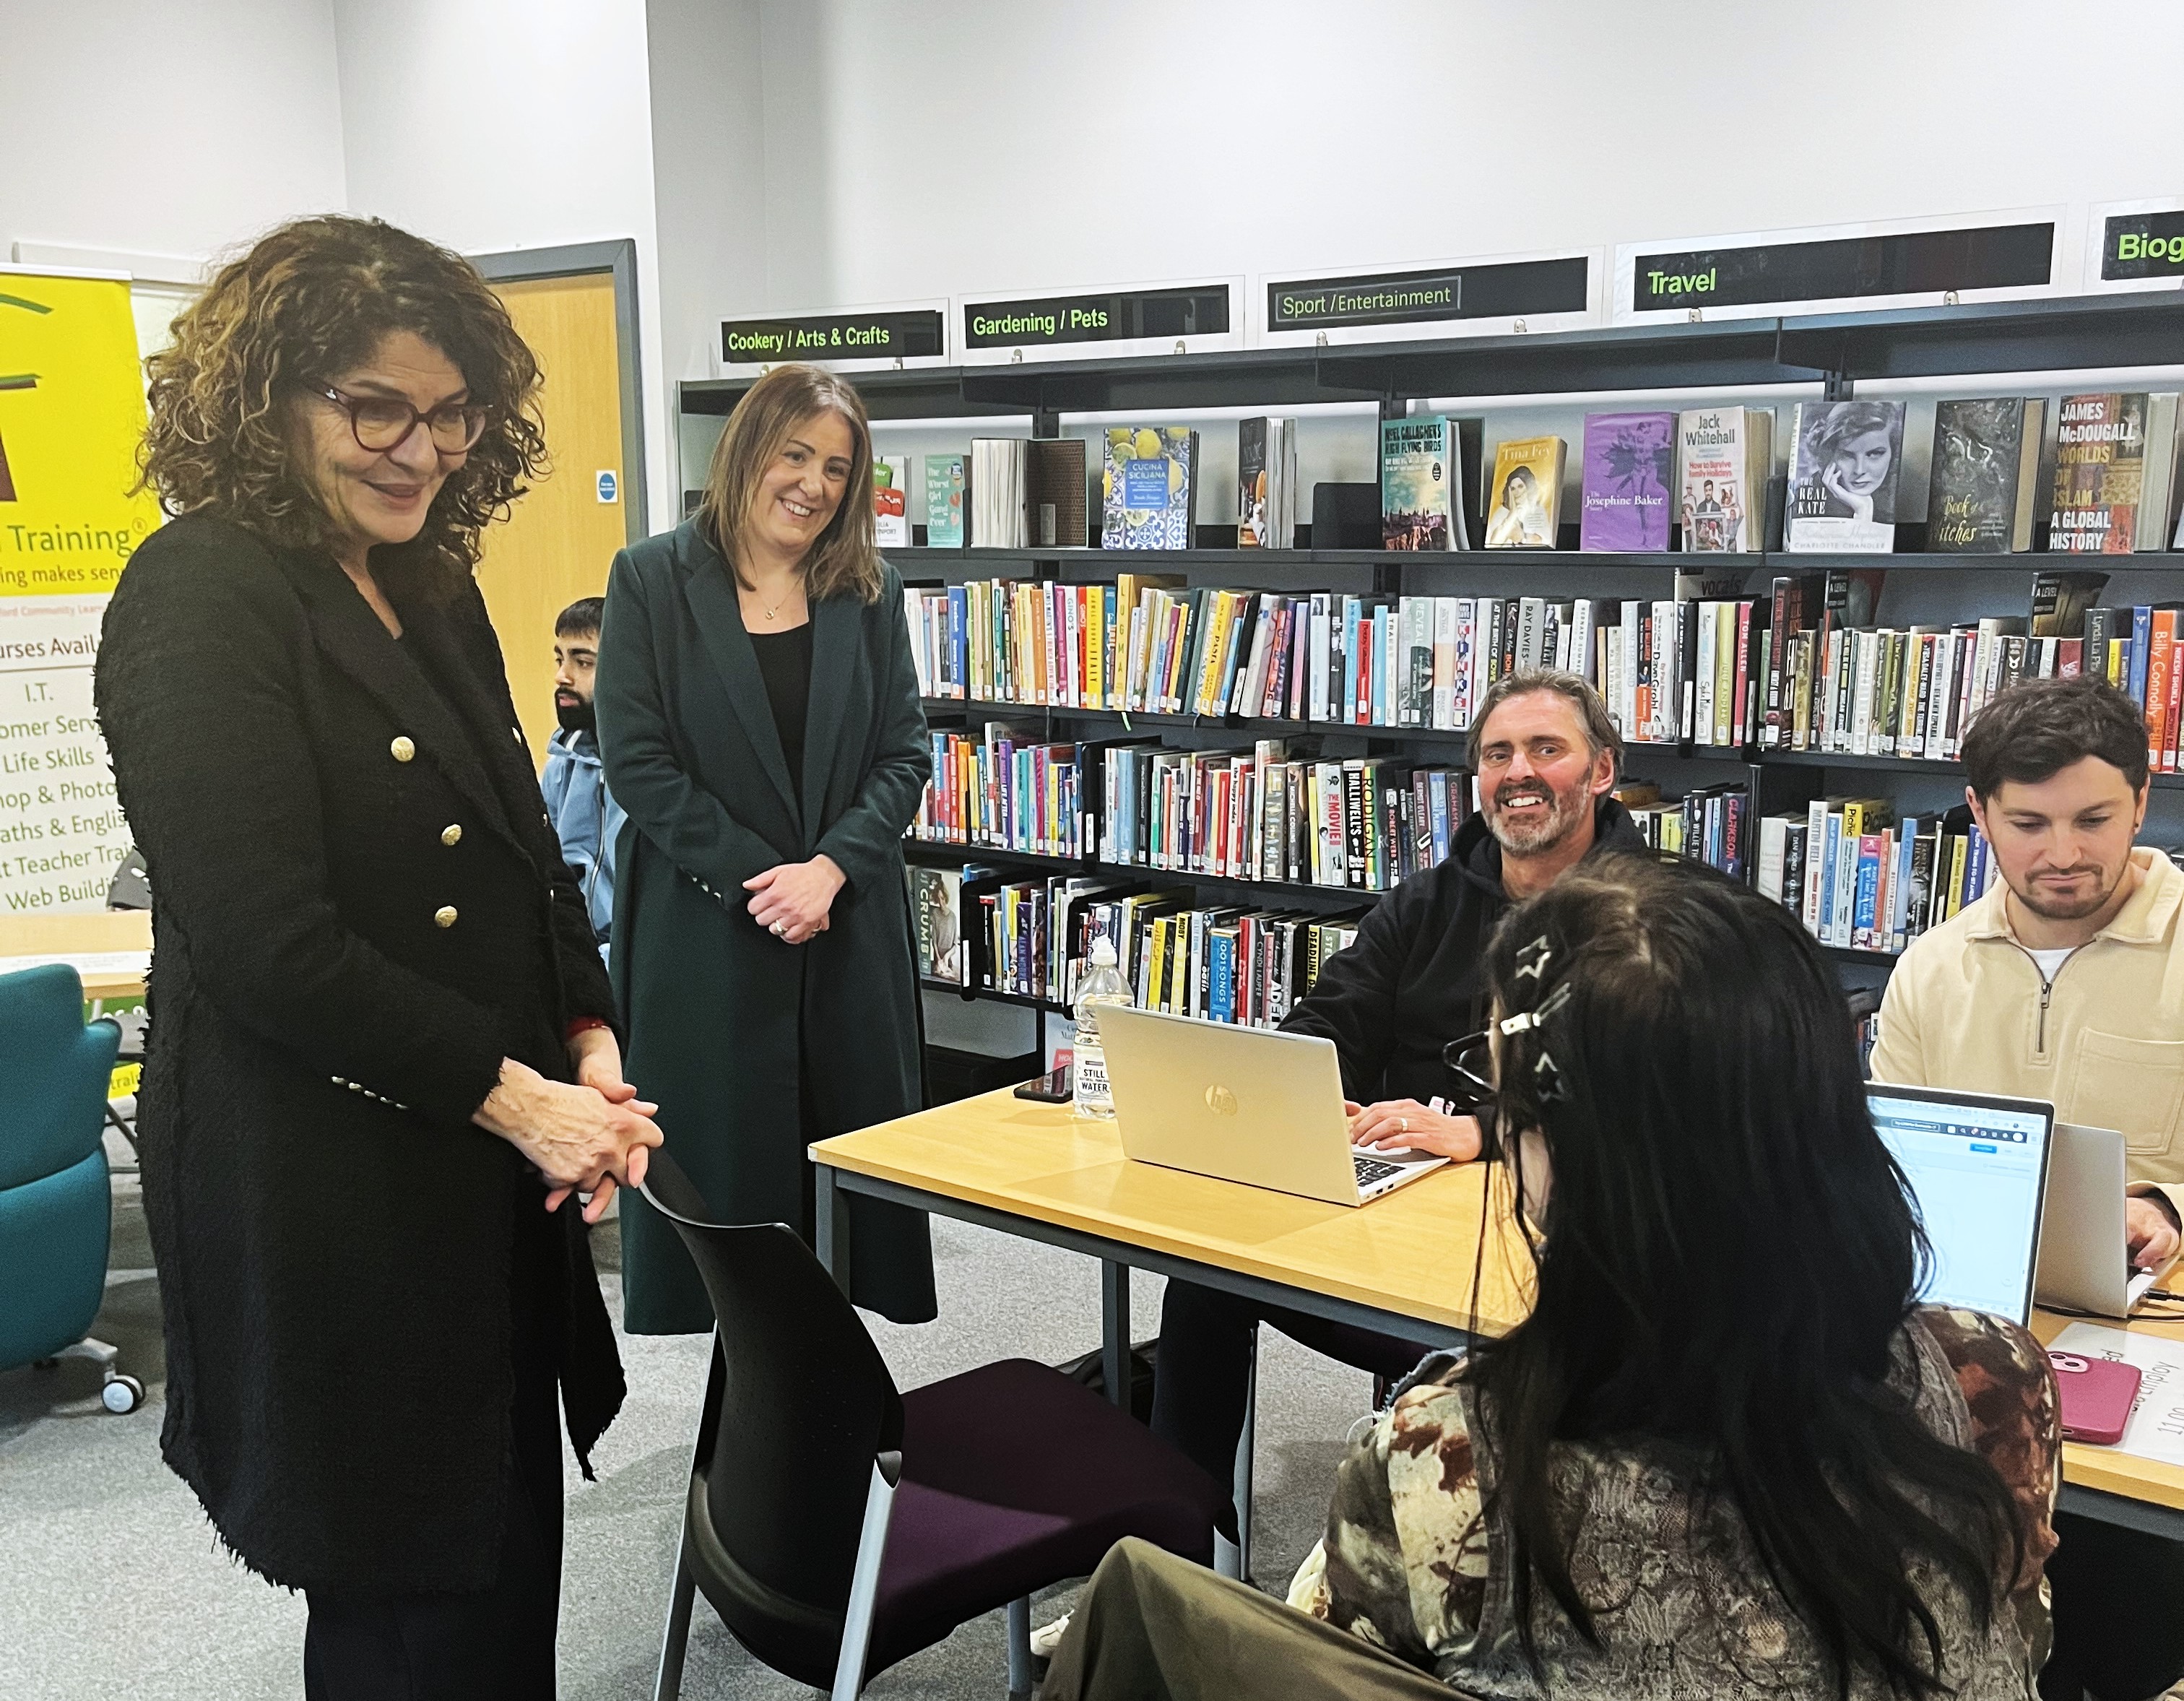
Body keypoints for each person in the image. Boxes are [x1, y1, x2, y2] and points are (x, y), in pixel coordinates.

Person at [1042, 855, 2061, 1701]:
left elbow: (1327, 1663)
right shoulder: (1998, 1376)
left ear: (1539, 1147)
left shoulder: (1444, 1449)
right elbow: (2016, 1631)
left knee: (1148, 1610)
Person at [95, 215, 661, 1699]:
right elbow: (264, 943)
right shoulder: (197, 592)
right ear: (265, 395)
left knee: (496, 1553)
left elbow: (527, 849)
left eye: (452, 411)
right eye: (377, 407)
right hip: (327, 1187)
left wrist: (590, 1040)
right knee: (404, 1596)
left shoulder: (430, 577)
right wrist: (523, 1097)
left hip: (477, 1170)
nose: (421, 449)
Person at [1148, 670, 1646, 1489]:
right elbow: (1329, 1016)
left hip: (1552, 1247)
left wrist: (1485, 1132)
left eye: (1546, 749)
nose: (1518, 771)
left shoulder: (1656, 918)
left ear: (1601, 770)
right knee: (1208, 1274)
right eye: (1497, 754)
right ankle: (1174, 1556)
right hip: (1392, 1209)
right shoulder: (1426, 902)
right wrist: (1305, 1090)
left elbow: (1656, 1106)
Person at [599, 360, 937, 1333]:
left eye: (837, 467)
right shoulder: (651, 579)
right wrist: (766, 882)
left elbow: (903, 752)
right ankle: (747, 1436)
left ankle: (837, 1421)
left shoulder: (870, 592)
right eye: (796, 454)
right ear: (747, 449)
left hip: (845, 925)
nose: (814, 484)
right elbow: (641, 761)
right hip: (707, 932)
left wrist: (828, 869)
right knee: (728, 1200)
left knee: (848, 1195)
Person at [1869, 672, 2184, 1701]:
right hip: (1962, 1335)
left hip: (2151, 1346)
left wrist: (2168, 1207)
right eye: (2029, 822)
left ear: (2143, 800)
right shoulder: (1931, 964)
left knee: (2128, 1615)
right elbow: (1886, 1159)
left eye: (2095, 818)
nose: (2063, 852)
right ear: (1979, 815)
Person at [540, 597, 625, 964]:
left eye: (583, 661)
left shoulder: (663, 774)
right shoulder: (561, 766)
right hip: (574, 966)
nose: (563, 676)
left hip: (633, 972)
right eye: (560, 659)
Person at [1484, 462, 1552, 547]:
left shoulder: (1538, 510)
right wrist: (1512, 513)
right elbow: (1492, 543)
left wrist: (1522, 538)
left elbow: (1544, 540)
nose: (1517, 492)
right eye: (1513, 489)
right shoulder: (1502, 511)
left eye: (1520, 486)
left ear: (1528, 487)